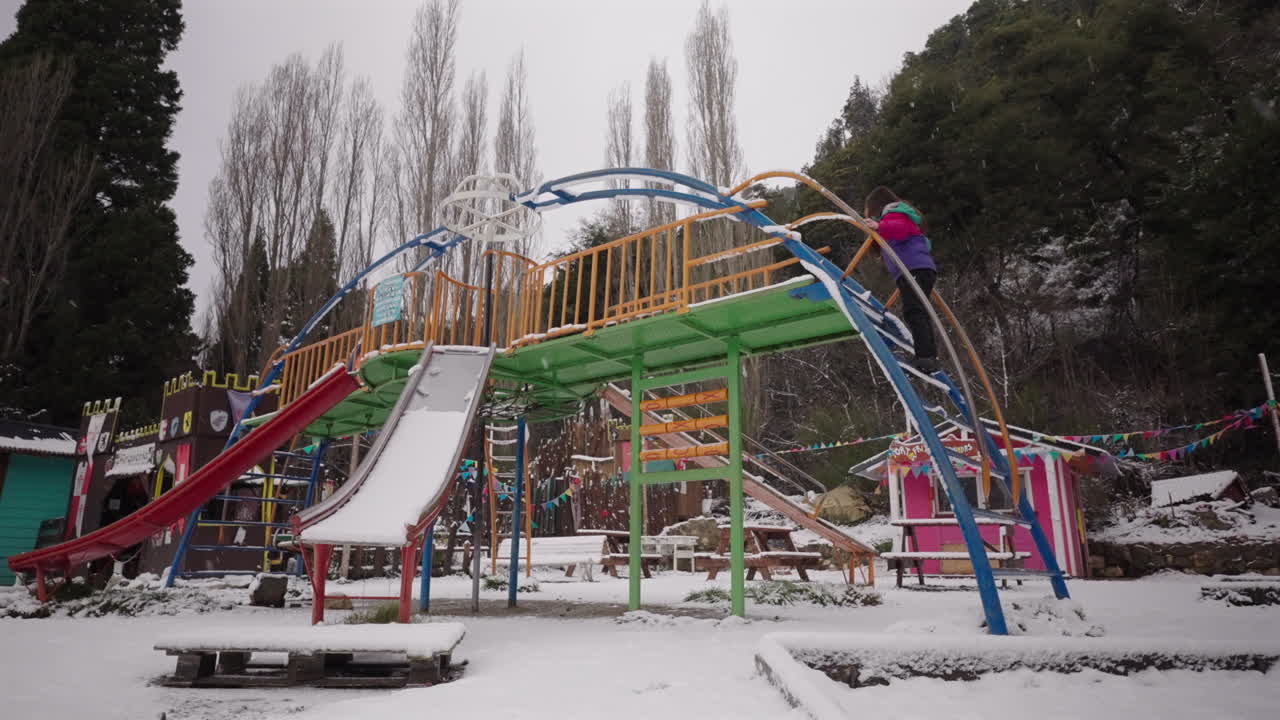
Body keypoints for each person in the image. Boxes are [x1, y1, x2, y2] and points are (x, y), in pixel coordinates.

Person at [862, 186, 938, 373]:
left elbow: (900, 229)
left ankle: (925, 357)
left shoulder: (894, 212)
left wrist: (879, 226)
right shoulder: (899, 214)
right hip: (920, 268)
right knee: (919, 311)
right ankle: (929, 356)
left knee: (914, 312)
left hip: (912, 269)